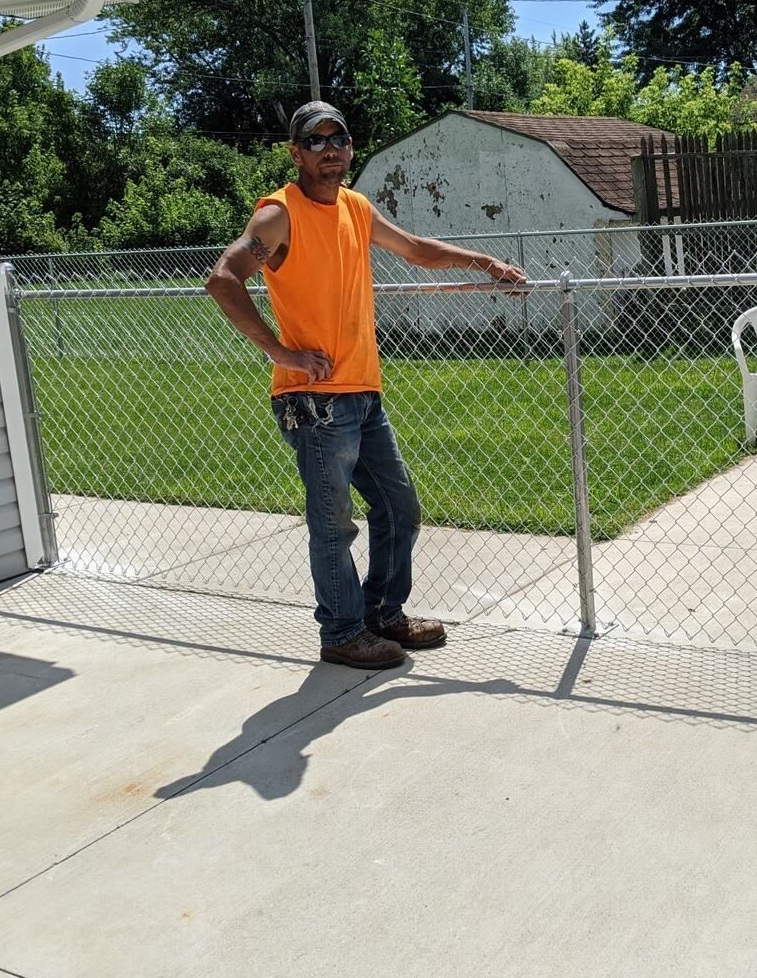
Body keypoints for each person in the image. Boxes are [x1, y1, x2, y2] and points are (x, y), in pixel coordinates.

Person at [205, 101, 526, 670]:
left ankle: (381, 614)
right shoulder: (280, 214)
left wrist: (485, 262)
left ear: (350, 147)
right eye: (317, 141)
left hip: (362, 392)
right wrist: (281, 351)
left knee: (399, 508)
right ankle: (342, 631)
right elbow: (224, 278)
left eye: (339, 139)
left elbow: (417, 250)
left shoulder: (355, 208)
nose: (331, 150)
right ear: (296, 152)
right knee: (333, 524)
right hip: (312, 400)